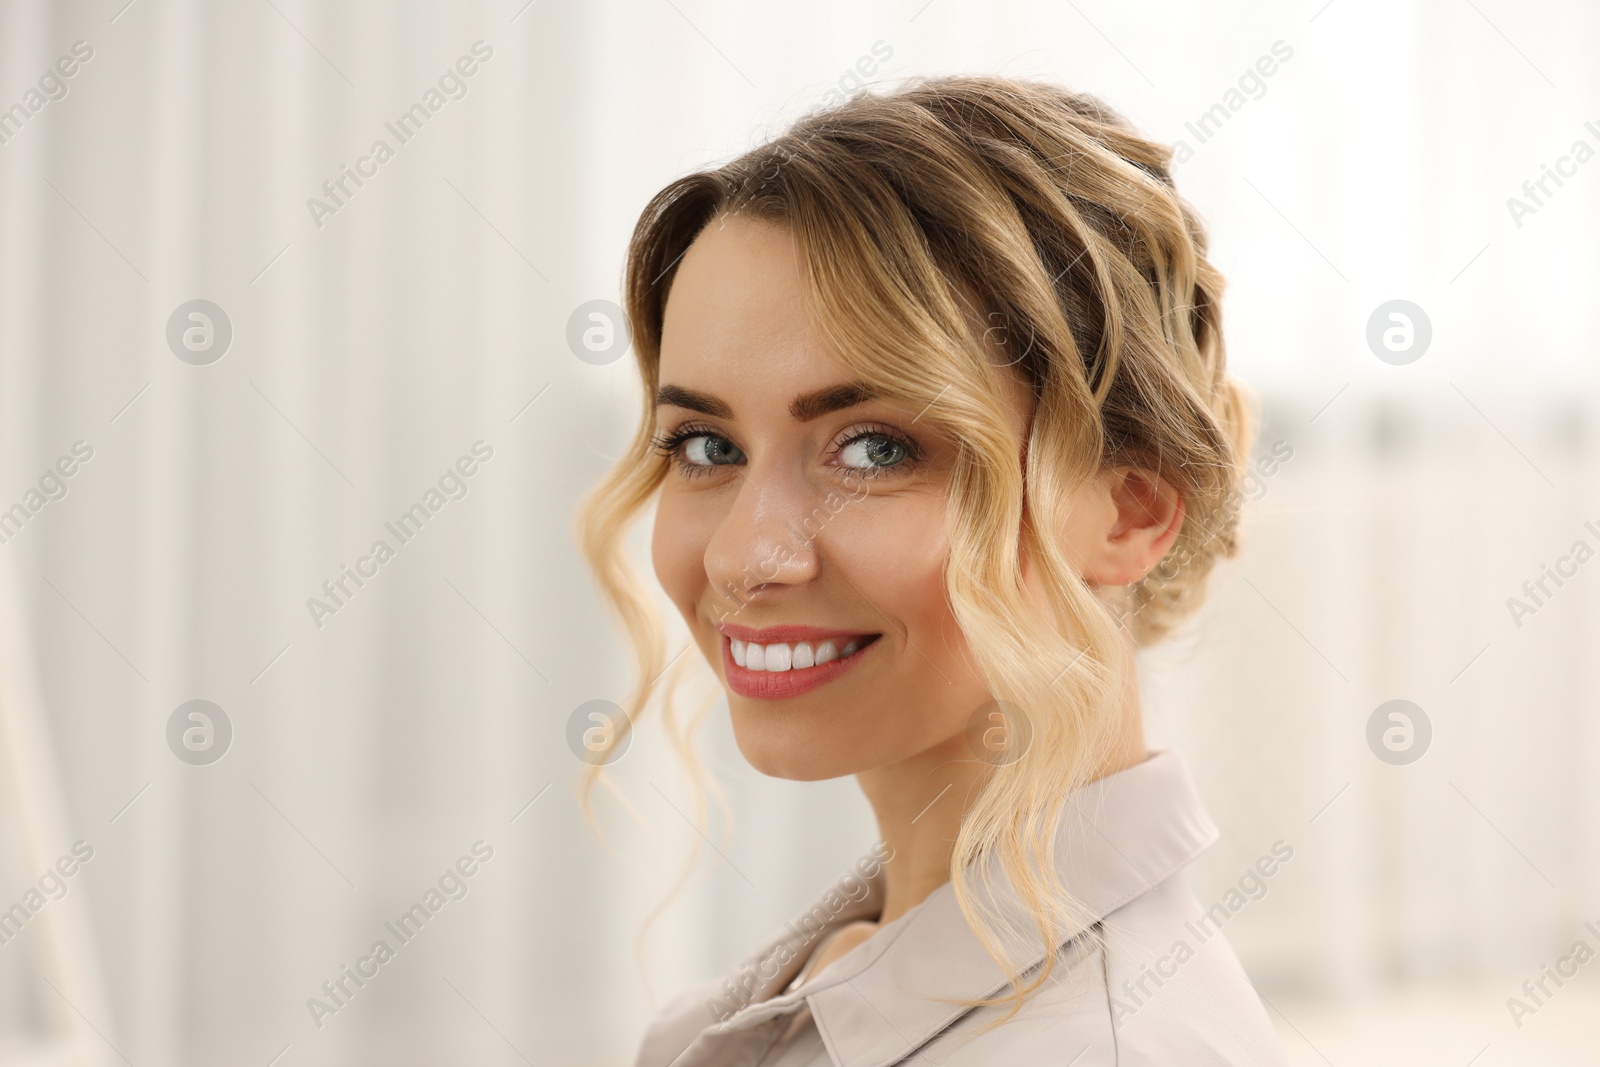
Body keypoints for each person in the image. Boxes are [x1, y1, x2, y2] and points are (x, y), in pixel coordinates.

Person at [576, 74, 1290, 1065]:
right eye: (705, 446)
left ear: (1128, 509)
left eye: (872, 449)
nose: (744, 556)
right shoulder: (822, 984)